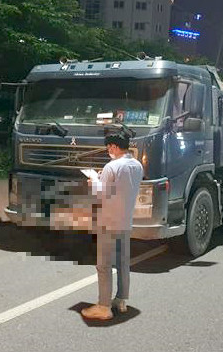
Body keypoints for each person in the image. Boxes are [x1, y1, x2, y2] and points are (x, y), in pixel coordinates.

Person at [81, 132, 144, 320]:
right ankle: (121, 300)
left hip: (108, 221)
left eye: (109, 147)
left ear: (114, 147)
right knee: (123, 262)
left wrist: (94, 182)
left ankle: (104, 307)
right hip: (125, 220)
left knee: (104, 265)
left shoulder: (112, 166)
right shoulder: (137, 165)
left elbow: (102, 194)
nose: (108, 150)